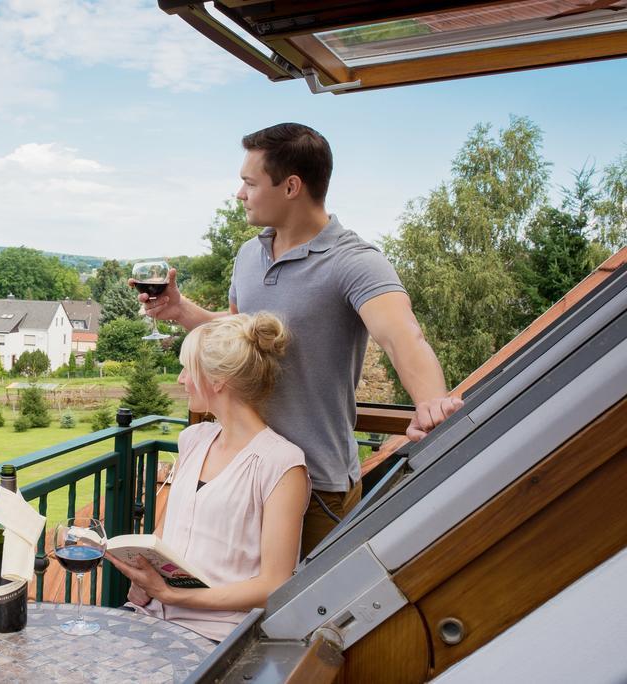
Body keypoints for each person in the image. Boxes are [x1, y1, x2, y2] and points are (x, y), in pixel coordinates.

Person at [138, 123, 463, 556]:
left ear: (291, 186)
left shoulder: (355, 262)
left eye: (249, 183)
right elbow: (238, 336)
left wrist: (430, 403)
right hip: (241, 473)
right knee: (231, 606)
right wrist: (181, 311)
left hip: (316, 484)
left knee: (298, 618)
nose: (239, 194)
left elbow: (403, 336)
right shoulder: (249, 255)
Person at [107, 312, 310, 642]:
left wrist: (175, 596)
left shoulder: (281, 464)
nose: (181, 379)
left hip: (218, 634)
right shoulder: (195, 438)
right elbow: (166, 529)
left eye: (188, 369)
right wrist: (144, 577)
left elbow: (273, 584)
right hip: (151, 615)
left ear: (217, 381)